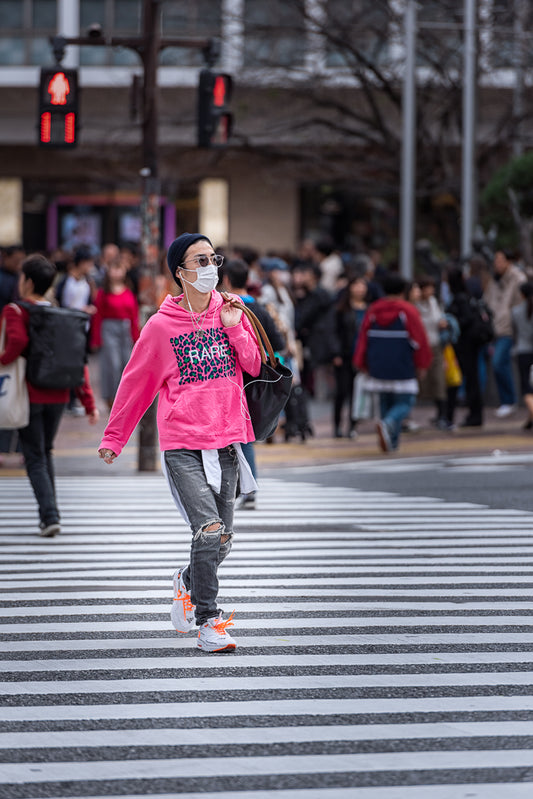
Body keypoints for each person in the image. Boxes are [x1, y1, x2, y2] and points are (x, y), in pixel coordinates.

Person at [98, 232, 261, 653]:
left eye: (213, 259)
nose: (211, 268)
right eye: (200, 261)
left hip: (226, 442)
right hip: (183, 445)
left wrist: (234, 328)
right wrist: (115, 438)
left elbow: (254, 364)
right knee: (207, 529)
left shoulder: (231, 312)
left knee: (222, 540)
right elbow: (136, 384)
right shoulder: (160, 326)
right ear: (180, 272)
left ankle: (186, 581)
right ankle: (209, 621)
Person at [0, 254, 99, 536]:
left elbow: (17, 341)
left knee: (33, 454)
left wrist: (3, 358)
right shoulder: (59, 312)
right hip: (58, 394)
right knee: (45, 452)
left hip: (30, 392)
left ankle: (49, 514)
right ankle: (51, 512)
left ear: (28, 281)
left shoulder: (16, 310)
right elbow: (78, 361)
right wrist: (88, 402)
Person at [220, 257, 285, 509]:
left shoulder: (225, 309)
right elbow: (278, 344)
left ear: (225, 280)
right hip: (258, 381)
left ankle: (246, 488)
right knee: (244, 434)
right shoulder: (260, 307)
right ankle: (246, 488)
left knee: (237, 435)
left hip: (234, 379)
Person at [354, 273, 432, 453]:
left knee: (385, 401)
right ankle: (388, 425)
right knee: (405, 402)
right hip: (403, 365)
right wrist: (423, 364)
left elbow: (363, 338)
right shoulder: (408, 311)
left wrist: (361, 362)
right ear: (403, 291)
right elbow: (419, 340)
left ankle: (391, 443)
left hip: (377, 364)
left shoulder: (374, 309)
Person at [91, 258, 140, 411]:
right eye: (114, 268)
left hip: (125, 330)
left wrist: (136, 338)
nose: (117, 272)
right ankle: (110, 398)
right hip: (108, 328)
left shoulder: (129, 290)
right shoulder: (102, 292)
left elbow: (134, 317)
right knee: (112, 365)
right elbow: (97, 316)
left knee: (126, 364)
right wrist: (95, 339)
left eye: (120, 268)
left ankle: (123, 398)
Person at [483, 250, 526, 417]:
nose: (497, 264)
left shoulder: (518, 278)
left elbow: (520, 305)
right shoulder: (494, 279)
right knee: (500, 364)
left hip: (508, 329)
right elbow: (488, 301)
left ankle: (509, 400)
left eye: (500, 260)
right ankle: (507, 400)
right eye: (495, 260)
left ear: (509, 261)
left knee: (499, 363)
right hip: (493, 329)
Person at [446, 267, 485, 428]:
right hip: (468, 345)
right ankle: (455, 415)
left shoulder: (460, 298)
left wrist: (452, 324)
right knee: (468, 379)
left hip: (465, 345)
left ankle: (471, 415)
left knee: (466, 380)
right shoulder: (465, 296)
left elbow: (467, 319)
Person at [331, 274, 367, 438]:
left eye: (362, 285)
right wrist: (336, 353)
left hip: (362, 357)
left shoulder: (369, 309)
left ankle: (352, 426)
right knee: (342, 391)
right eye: (356, 285)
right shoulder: (341, 309)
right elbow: (334, 333)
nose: (359, 288)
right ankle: (337, 426)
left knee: (356, 393)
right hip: (344, 356)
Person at [416, 276, 449, 429]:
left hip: (435, 346)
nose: (431, 291)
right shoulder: (415, 305)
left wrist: (443, 324)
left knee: (439, 380)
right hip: (420, 347)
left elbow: (440, 320)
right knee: (419, 382)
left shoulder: (434, 303)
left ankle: (442, 415)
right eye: (428, 288)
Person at [512, 281, 533, 431]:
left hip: (523, 350)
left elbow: (515, 332)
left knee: (526, 387)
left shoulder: (516, 311)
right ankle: (529, 419)